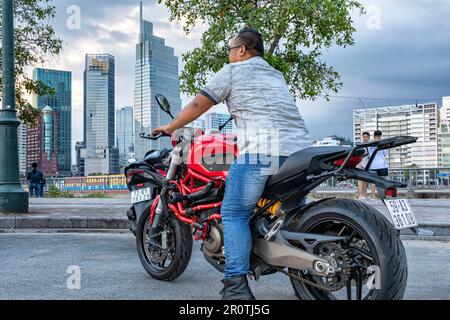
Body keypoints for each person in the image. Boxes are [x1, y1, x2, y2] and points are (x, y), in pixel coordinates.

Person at [152, 28, 312, 300]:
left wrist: (171, 125)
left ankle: (236, 286)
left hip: (263, 152)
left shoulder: (233, 71)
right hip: (301, 151)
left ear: (242, 50)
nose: (228, 55)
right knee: (294, 213)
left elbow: (197, 105)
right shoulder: (276, 75)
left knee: (234, 212)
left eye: (229, 49)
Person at [368, 130, 389, 200]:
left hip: (373, 165)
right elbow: (385, 154)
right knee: (383, 181)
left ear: (373, 136)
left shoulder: (370, 144)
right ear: (380, 136)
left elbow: (369, 154)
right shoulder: (384, 144)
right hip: (382, 165)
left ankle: (373, 197)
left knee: (373, 182)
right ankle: (383, 197)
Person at [357, 132, 371, 199]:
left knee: (365, 181)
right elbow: (358, 156)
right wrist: (358, 165)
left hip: (367, 165)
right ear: (362, 137)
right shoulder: (360, 145)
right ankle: (360, 195)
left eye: (367, 137)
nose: (365, 138)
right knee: (360, 181)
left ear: (369, 137)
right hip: (361, 165)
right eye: (364, 136)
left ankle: (364, 195)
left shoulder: (370, 146)